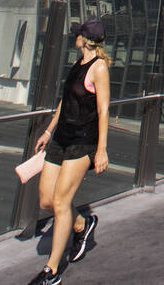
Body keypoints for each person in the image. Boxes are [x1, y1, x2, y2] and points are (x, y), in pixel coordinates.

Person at [28, 20, 111, 285]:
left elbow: (103, 110)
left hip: (82, 142)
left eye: (78, 35)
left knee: (62, 201)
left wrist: (101, 150)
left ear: (86, 40)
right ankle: (81, 225)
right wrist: (48, 131)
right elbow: (65, 103)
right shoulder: (77, 64)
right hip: (61, 139)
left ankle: (51, 271)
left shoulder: (99, 68)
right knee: (46, 201)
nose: (74, 37)